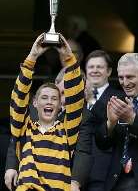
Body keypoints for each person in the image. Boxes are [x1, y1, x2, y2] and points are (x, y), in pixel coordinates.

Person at [9, 33, 84, 191]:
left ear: (59, 105)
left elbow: (76, 99)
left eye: (54, 99)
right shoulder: (24, 129)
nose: (49, 101)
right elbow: (18, 99)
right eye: (44, 97)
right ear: (35, 103)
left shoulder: (67, 131)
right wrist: (32, 56)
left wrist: (69, 57)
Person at [95, 53, 138, 191]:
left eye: (130, 77)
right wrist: (110, 124)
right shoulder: (118, 100)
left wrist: (132, 119)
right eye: (121, 77)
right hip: (116, 181)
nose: (125, 83)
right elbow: (102, 144)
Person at [71, 50, 124, 191]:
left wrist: (91, 100)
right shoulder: (74, 97)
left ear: (109, 71)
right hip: (75, 169)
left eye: (99, 67)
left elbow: (114, 123)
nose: (94, 70)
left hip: (102, 168)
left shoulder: (120, 96)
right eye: (91, 67)